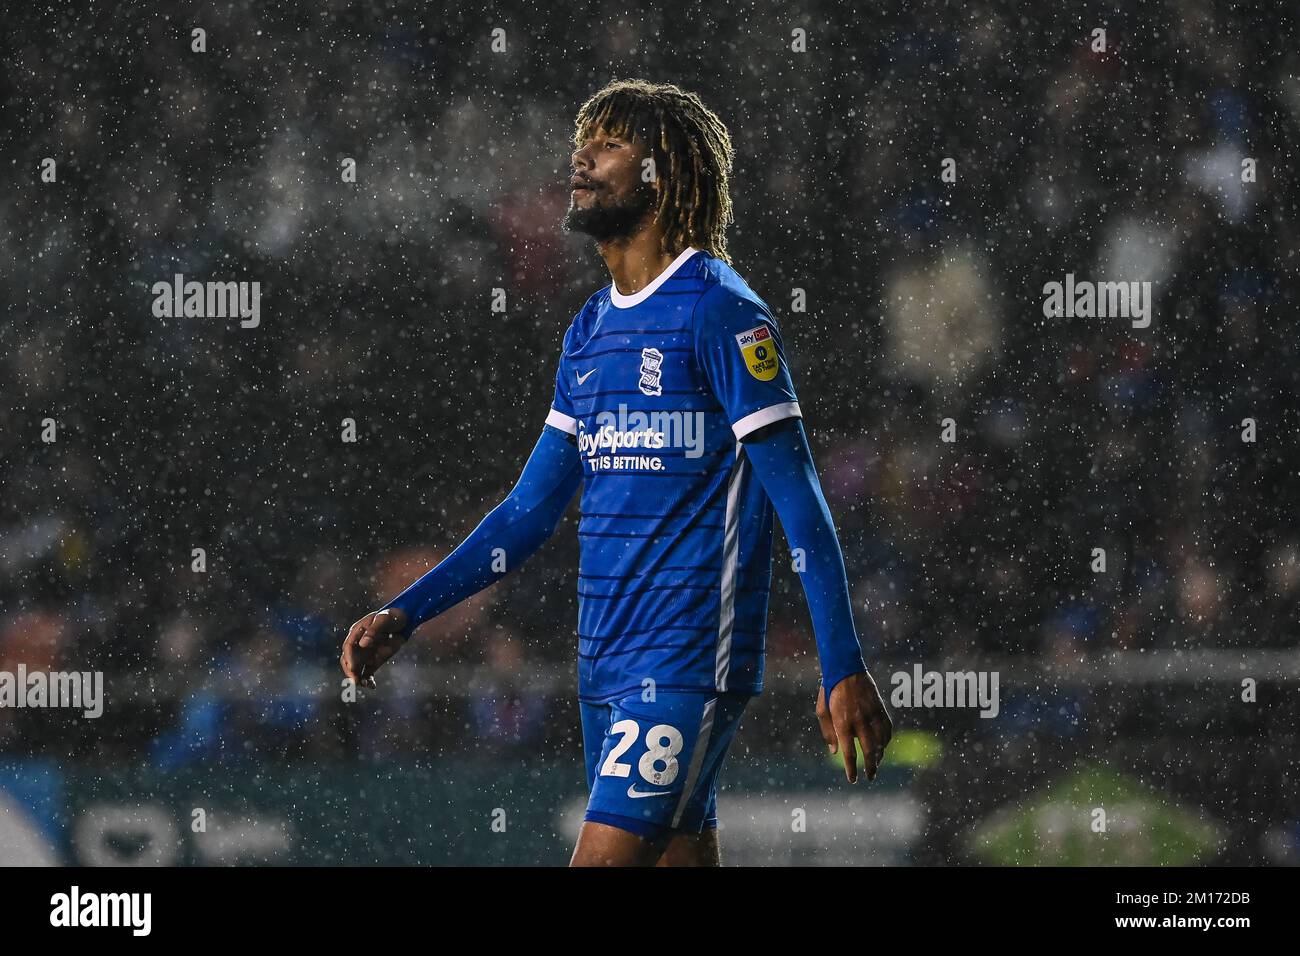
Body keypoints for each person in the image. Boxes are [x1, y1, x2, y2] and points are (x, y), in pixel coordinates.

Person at [340, 79, 892, 866]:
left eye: (608, 145)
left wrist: (842, 665)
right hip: (605, 664)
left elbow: (799, 501)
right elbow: (530, 511)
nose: (582, 160)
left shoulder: (722, 311)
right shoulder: (590, 330)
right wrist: (409, 611)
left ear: (661, 174)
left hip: (686, 661)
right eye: (582, 143)